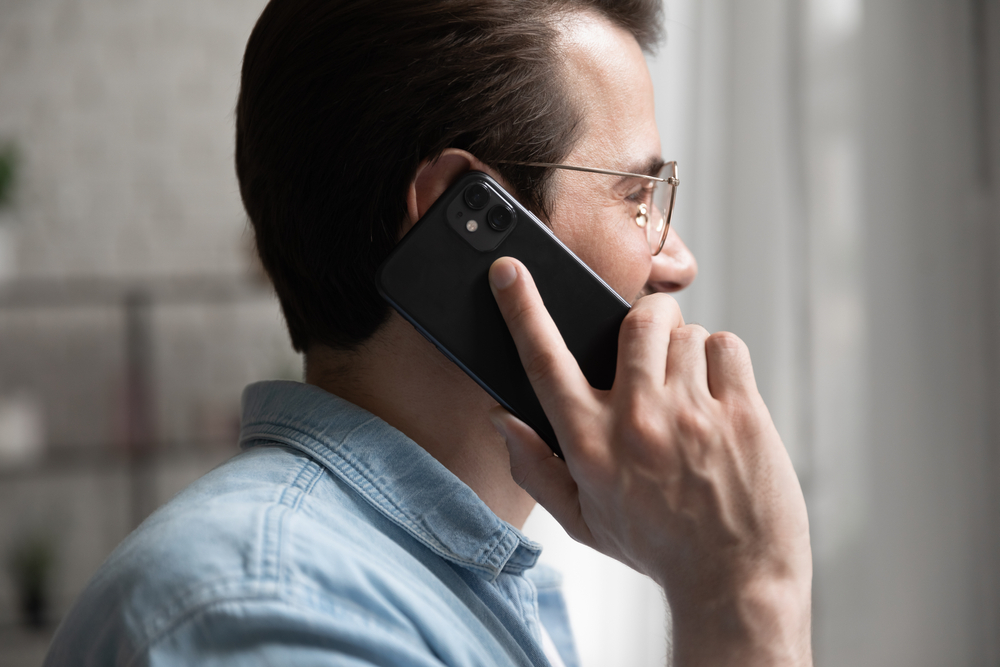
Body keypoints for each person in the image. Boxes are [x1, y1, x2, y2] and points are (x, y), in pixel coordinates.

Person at [45, 1, 813, 665]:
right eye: (638, 196)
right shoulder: (268, 605)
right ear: (465, 222)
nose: (678, 260)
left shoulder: (474, 582)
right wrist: (744, 595)